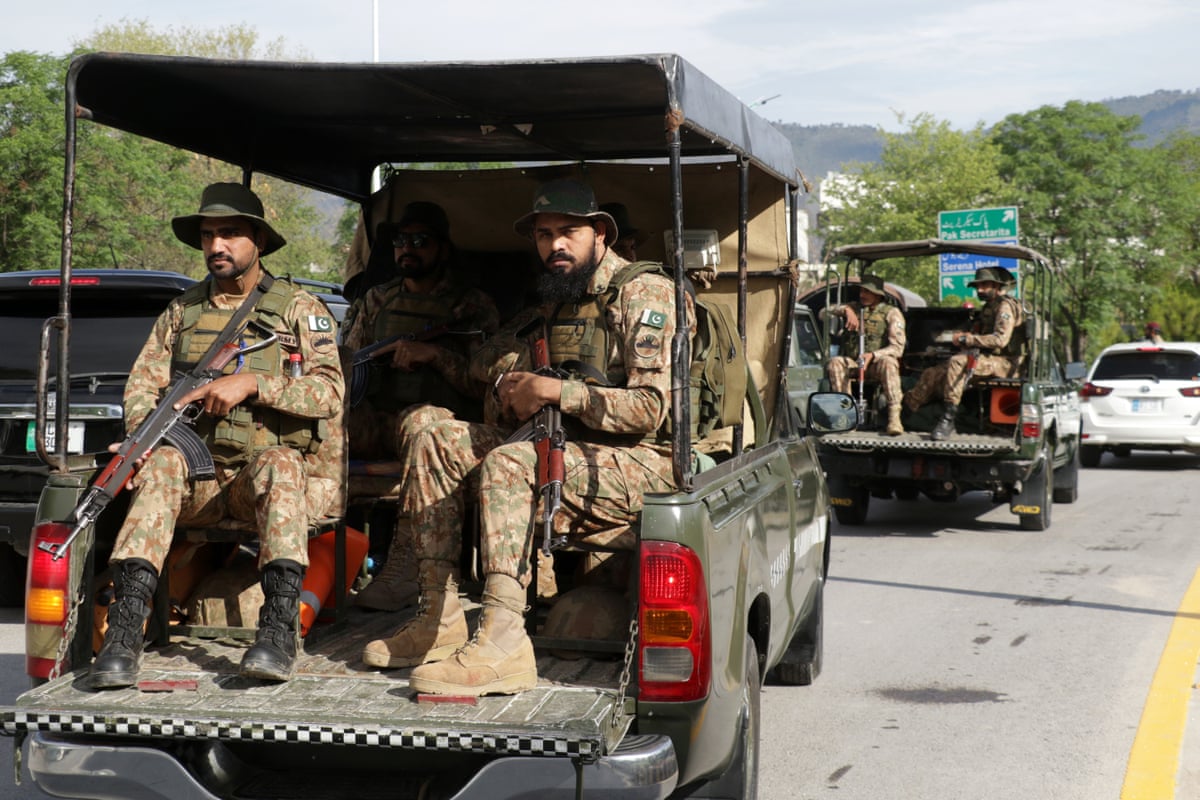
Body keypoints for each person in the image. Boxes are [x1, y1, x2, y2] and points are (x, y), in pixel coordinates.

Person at [368, 178, 689, 696]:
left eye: (568, 232)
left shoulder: (642, 294)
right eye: (543, 235)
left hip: (640, 461)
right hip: (557, 443)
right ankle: (439, 617)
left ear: (599, 234)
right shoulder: (554, 300)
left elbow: (649, 410)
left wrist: (557, 392)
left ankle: (503, 639)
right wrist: (509, 385)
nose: (554, 245)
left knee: (510, 464)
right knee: (436, 436)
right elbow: (495, 364)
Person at [89, 183, 346, 689]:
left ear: (259, 242)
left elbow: (330, 391)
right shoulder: (181, 312)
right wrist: (143, 437)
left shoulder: (298, 308)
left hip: (262, 484)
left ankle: (276, 634)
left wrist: (254, 383)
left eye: (229, 234)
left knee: (281, 463)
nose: (216, 246)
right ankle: (124, 633)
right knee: (160, 462)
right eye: (208, 235)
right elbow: (142, 387)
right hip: (198, 481)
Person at [341, 201, 499, 612]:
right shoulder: (377, 300)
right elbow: (347, 363)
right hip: (381, 420)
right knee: (326, 425)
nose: (407, 249)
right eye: (400, 241)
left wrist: (434, 356)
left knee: (420, 422)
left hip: (443, 435)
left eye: (420, 241)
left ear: (443, 249)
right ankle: (307, 561)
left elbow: (488, 385)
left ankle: (407, 566)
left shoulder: (472, 306)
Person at [904, 266, 1025, 441]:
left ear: (997, 287)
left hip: (1007, 363)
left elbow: (1000, 340)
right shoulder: (988, 308)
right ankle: (906, 411)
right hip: (987, 358)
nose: (980, 290)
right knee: (932, 372)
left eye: (985, 285)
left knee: (958, 362)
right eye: (978, 286)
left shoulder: (1005, 306)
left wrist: (967, 339)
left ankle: (948, 418)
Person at [823, 275, 907, 435]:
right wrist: (847, 310)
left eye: (868, 292)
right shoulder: (853, 308)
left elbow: (897, 348)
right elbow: (824, 311)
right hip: (854, 363)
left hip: (876, 365)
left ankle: (894, 418)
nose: (863, 295)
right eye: (862, 291)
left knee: (889, 363)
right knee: (835, 362)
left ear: (878, 295)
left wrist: (873, 355)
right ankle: (846, 416)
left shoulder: (891, 313)